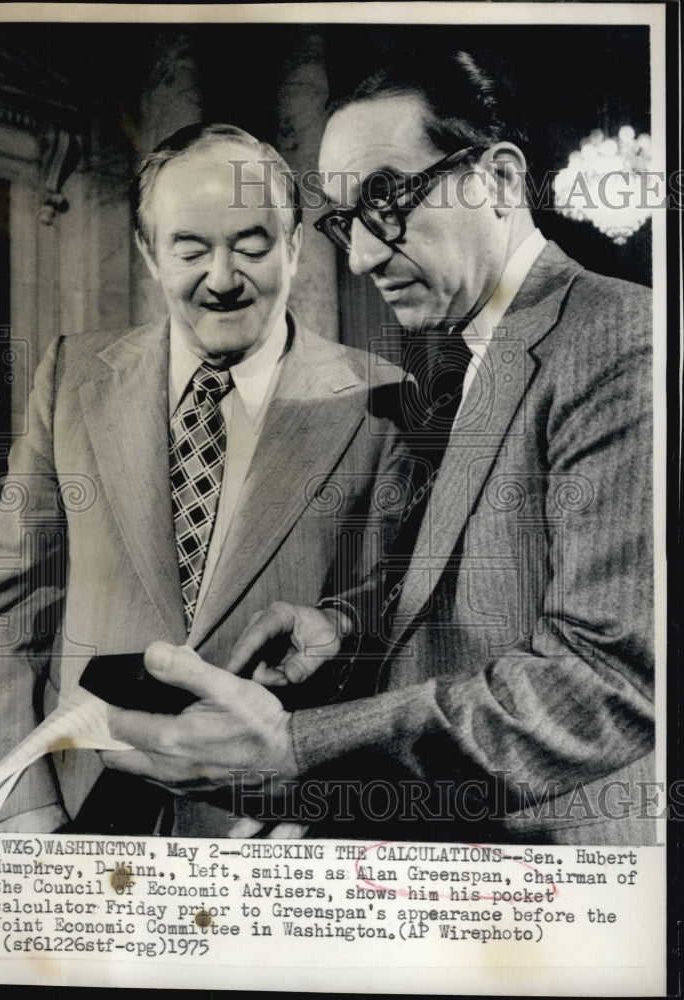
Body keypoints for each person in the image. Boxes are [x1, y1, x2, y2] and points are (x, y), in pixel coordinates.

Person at [97, 54, 655, 845]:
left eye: (386, 200)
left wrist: (292, 753)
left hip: (554, 885)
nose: (359, 256)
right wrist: (348, 625)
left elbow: (609, 679)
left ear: (496, 179)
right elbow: (485, 582)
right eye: (342, 220)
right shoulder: (475, 349)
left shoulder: (619, 339)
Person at [0, 122, 412, 835]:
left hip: (271, 832)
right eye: (190, 248)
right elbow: (3, 610)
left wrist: (319, 789)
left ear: (295, 247)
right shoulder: (70, 377)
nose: (222, 278)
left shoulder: (382, 400)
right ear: (150, 254)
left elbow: (388, 625)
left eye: (251, 243)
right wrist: (21, 806)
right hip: (74, 814)